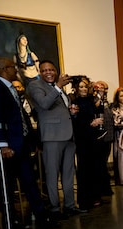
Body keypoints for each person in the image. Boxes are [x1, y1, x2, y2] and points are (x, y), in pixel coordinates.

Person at [0, 57, 55, 229]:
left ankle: (41, 218)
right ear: (3, 69)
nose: (16, 70)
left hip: (22, 144)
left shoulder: (10, 88)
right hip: (9, 148)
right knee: (8, 187)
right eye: (13, 67)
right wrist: (3, 145)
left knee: (30, 183)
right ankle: (11, 222)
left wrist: (33, 139)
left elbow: (20, 116)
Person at [27, 60, 82, 219]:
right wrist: (58, 86)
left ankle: (70, 206)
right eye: (44, 70)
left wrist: (71, 112)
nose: (48, 72)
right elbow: (44, 104)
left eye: (51, 69)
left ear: (56, 71)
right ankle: (55, 208)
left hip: (69, 135)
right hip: (52, 137)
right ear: (40, 72)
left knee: (68, 173)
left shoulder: (60, 89)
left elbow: (59, 109)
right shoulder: (35, 86)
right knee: (52, 174)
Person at [70, 77, 103, 210]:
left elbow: (98, 110)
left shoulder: (91, 101)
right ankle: (84, 200)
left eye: (85, 86)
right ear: (76, 88)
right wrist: (91, 124)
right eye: (81, 87)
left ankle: (95, 196)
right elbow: (76, 123)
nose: (83, 89)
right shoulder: (75, 102)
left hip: (93, 138)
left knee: (95, 167)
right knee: (84, 168)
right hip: (82, 138)